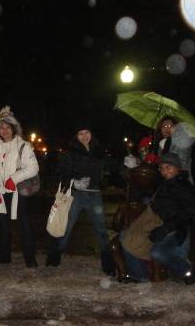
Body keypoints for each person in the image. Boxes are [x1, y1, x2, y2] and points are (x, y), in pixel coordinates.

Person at [46, 118, 138, 276]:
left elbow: (113, 166)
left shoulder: (98, 151)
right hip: (75, 195)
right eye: (80, 133)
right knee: (65, 228)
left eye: (86, 132)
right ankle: (53, 259)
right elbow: (61, 172)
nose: (84, 136)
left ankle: (108, 265)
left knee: (101, 231)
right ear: (76, 136)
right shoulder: (70, 152)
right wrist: (74, 183)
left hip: (94, 195)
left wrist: (128, 164)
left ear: (91, 134)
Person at [121, 153, 195, 285]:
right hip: (155, 224)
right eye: (162, 168)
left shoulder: (185, 187)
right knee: (125, 236)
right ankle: (138, 275)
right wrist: (130, 182)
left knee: (158, 252)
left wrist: (165, 228)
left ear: (178, 167)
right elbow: (148, 199)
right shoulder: (162, 184)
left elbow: (187, 215)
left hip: (175, 229)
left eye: (168, 167)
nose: (165, 171)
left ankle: (187, 270)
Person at [0, 106, 39, 268]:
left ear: (14, 128)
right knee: (3, 224)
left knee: (23, 224)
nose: (5, 130)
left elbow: (33, 168)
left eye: (8, 127)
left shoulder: (23, 145)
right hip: (1, 192)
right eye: (2, 127)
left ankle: (30, 258)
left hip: (17, 192)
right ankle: (4, 256)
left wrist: (13, 179)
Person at [140, 116, 193, 183]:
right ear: (160, 129)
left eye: (171, 125)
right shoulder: (156, 144)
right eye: (164, 126)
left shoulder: (181, 140)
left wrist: (160, 161)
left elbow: (182, 163)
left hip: (180, 182)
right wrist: (144, 149)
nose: (167, 128)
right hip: (161, 183)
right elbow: (146, 161)